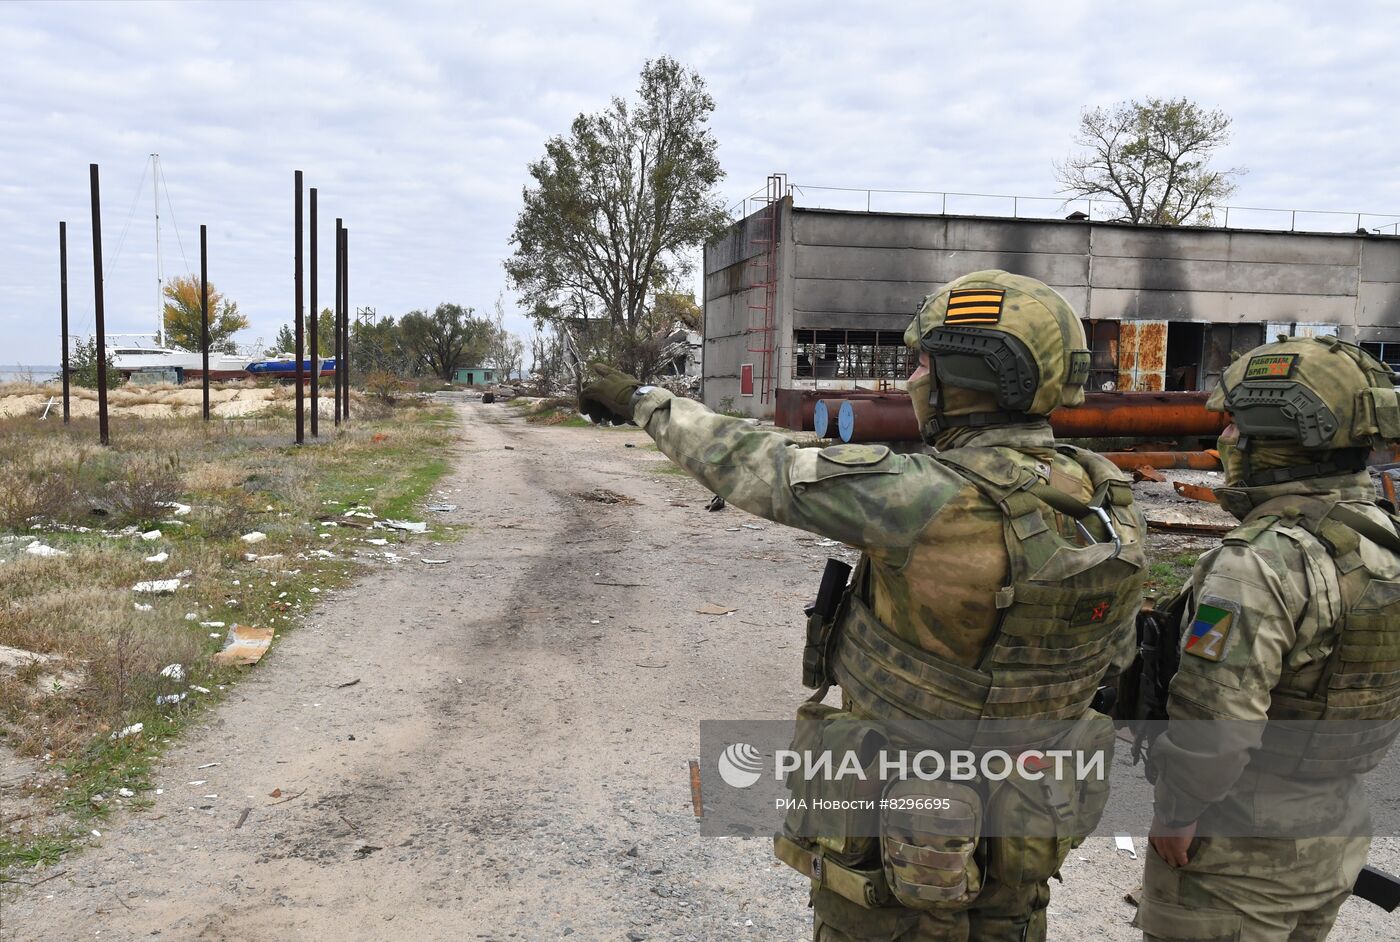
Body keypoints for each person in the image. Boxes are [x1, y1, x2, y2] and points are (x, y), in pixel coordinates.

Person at [582, 270, 1148, 940]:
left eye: (923, 364)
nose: (912, 378)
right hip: (1023, 837)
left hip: (897, 858)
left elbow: (748, 459)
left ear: (959, 379)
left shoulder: (924, 498)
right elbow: (1118, 659)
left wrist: (642, 400)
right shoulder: (1107, 504)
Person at [1138, 335, 1400, 941]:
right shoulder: (1381, 537)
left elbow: (1216, 723)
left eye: (1234, 427)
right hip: (1333, 829)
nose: (1225, 440)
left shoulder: (1258, 563)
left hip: (1236, 854)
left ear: (1276, 435)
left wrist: (1177, 812)